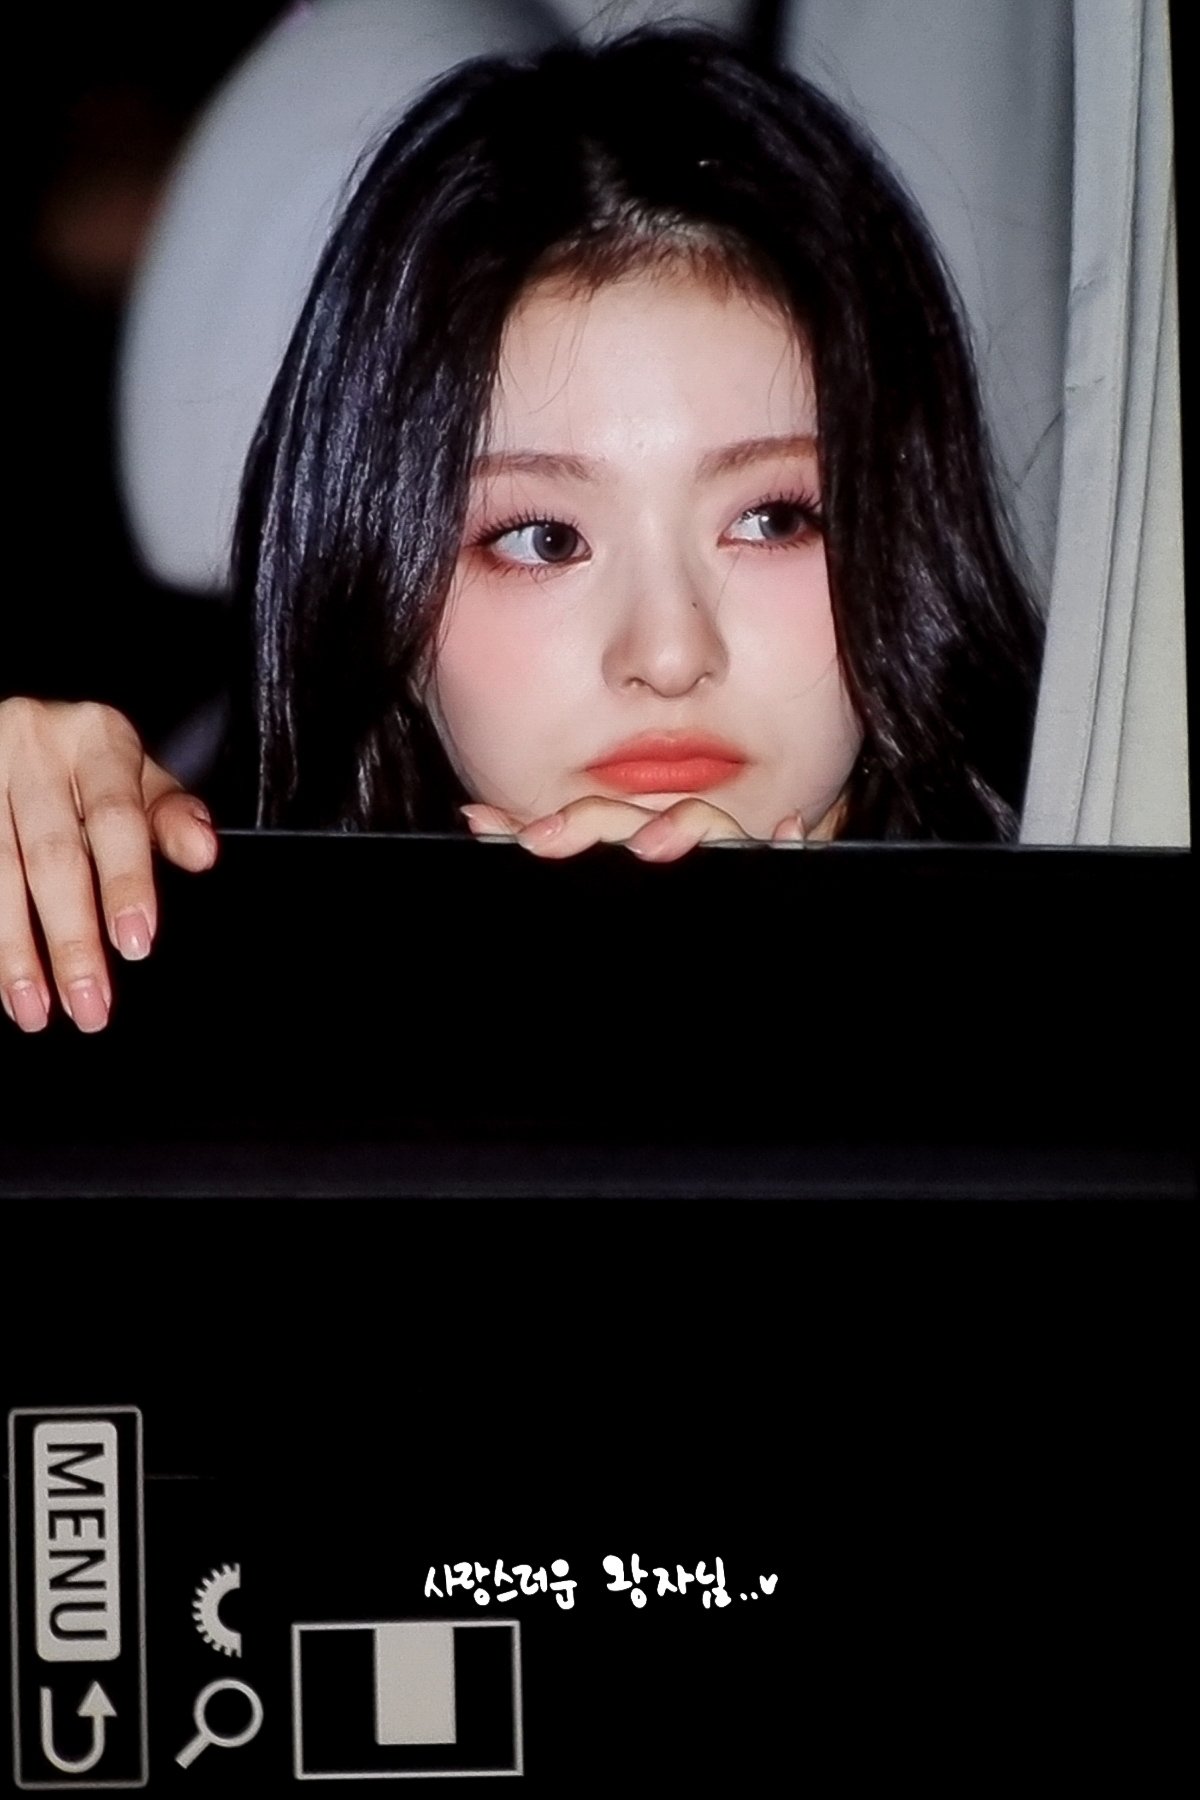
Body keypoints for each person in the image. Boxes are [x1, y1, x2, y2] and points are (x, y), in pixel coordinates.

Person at [0, 25, 1042, 1033]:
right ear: (385, 598)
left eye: (772, 520)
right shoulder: (206, 983)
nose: (668, 655)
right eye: (544, 539)